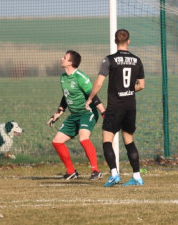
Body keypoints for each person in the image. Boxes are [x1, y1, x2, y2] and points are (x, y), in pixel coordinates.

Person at [85, 29, 146, 187]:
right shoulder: (137, 60)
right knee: (129, 141)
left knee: (107, 141)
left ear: (114, 41)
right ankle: (137, 176)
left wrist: (90, 98)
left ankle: (114, 175)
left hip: (115, 106)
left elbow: (98, 83)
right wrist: (129, 90)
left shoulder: (109, 60)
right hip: (130, 106)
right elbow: (141, 85)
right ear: (129, 41)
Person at [48, 50, 104, 181]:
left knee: (83, 138)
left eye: (64, 57)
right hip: (74, 115)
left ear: (70, 62)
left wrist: (104, 113)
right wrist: (57, 114)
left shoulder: (80, 77)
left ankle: (96, 171)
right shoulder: (63, 77)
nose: (61, 58)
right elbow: (66, 97)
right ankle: (71, 171)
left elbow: (93, 95)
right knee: (57, 141)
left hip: (87, 112)